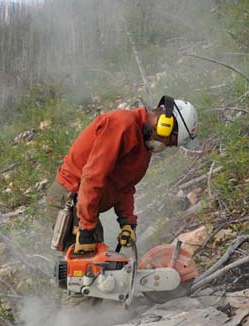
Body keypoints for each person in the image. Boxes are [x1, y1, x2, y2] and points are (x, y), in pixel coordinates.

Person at [46, 95, 198, 253]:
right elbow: (93, 176)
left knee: (99, 267)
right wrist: (86, 230)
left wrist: (127, 221)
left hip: (84, 205)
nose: (166, 145)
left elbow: (124, 185)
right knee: (86, 266)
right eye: (171, 140)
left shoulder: (143, 146)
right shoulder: (122, 124)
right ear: (165, 124)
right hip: (69, 199)